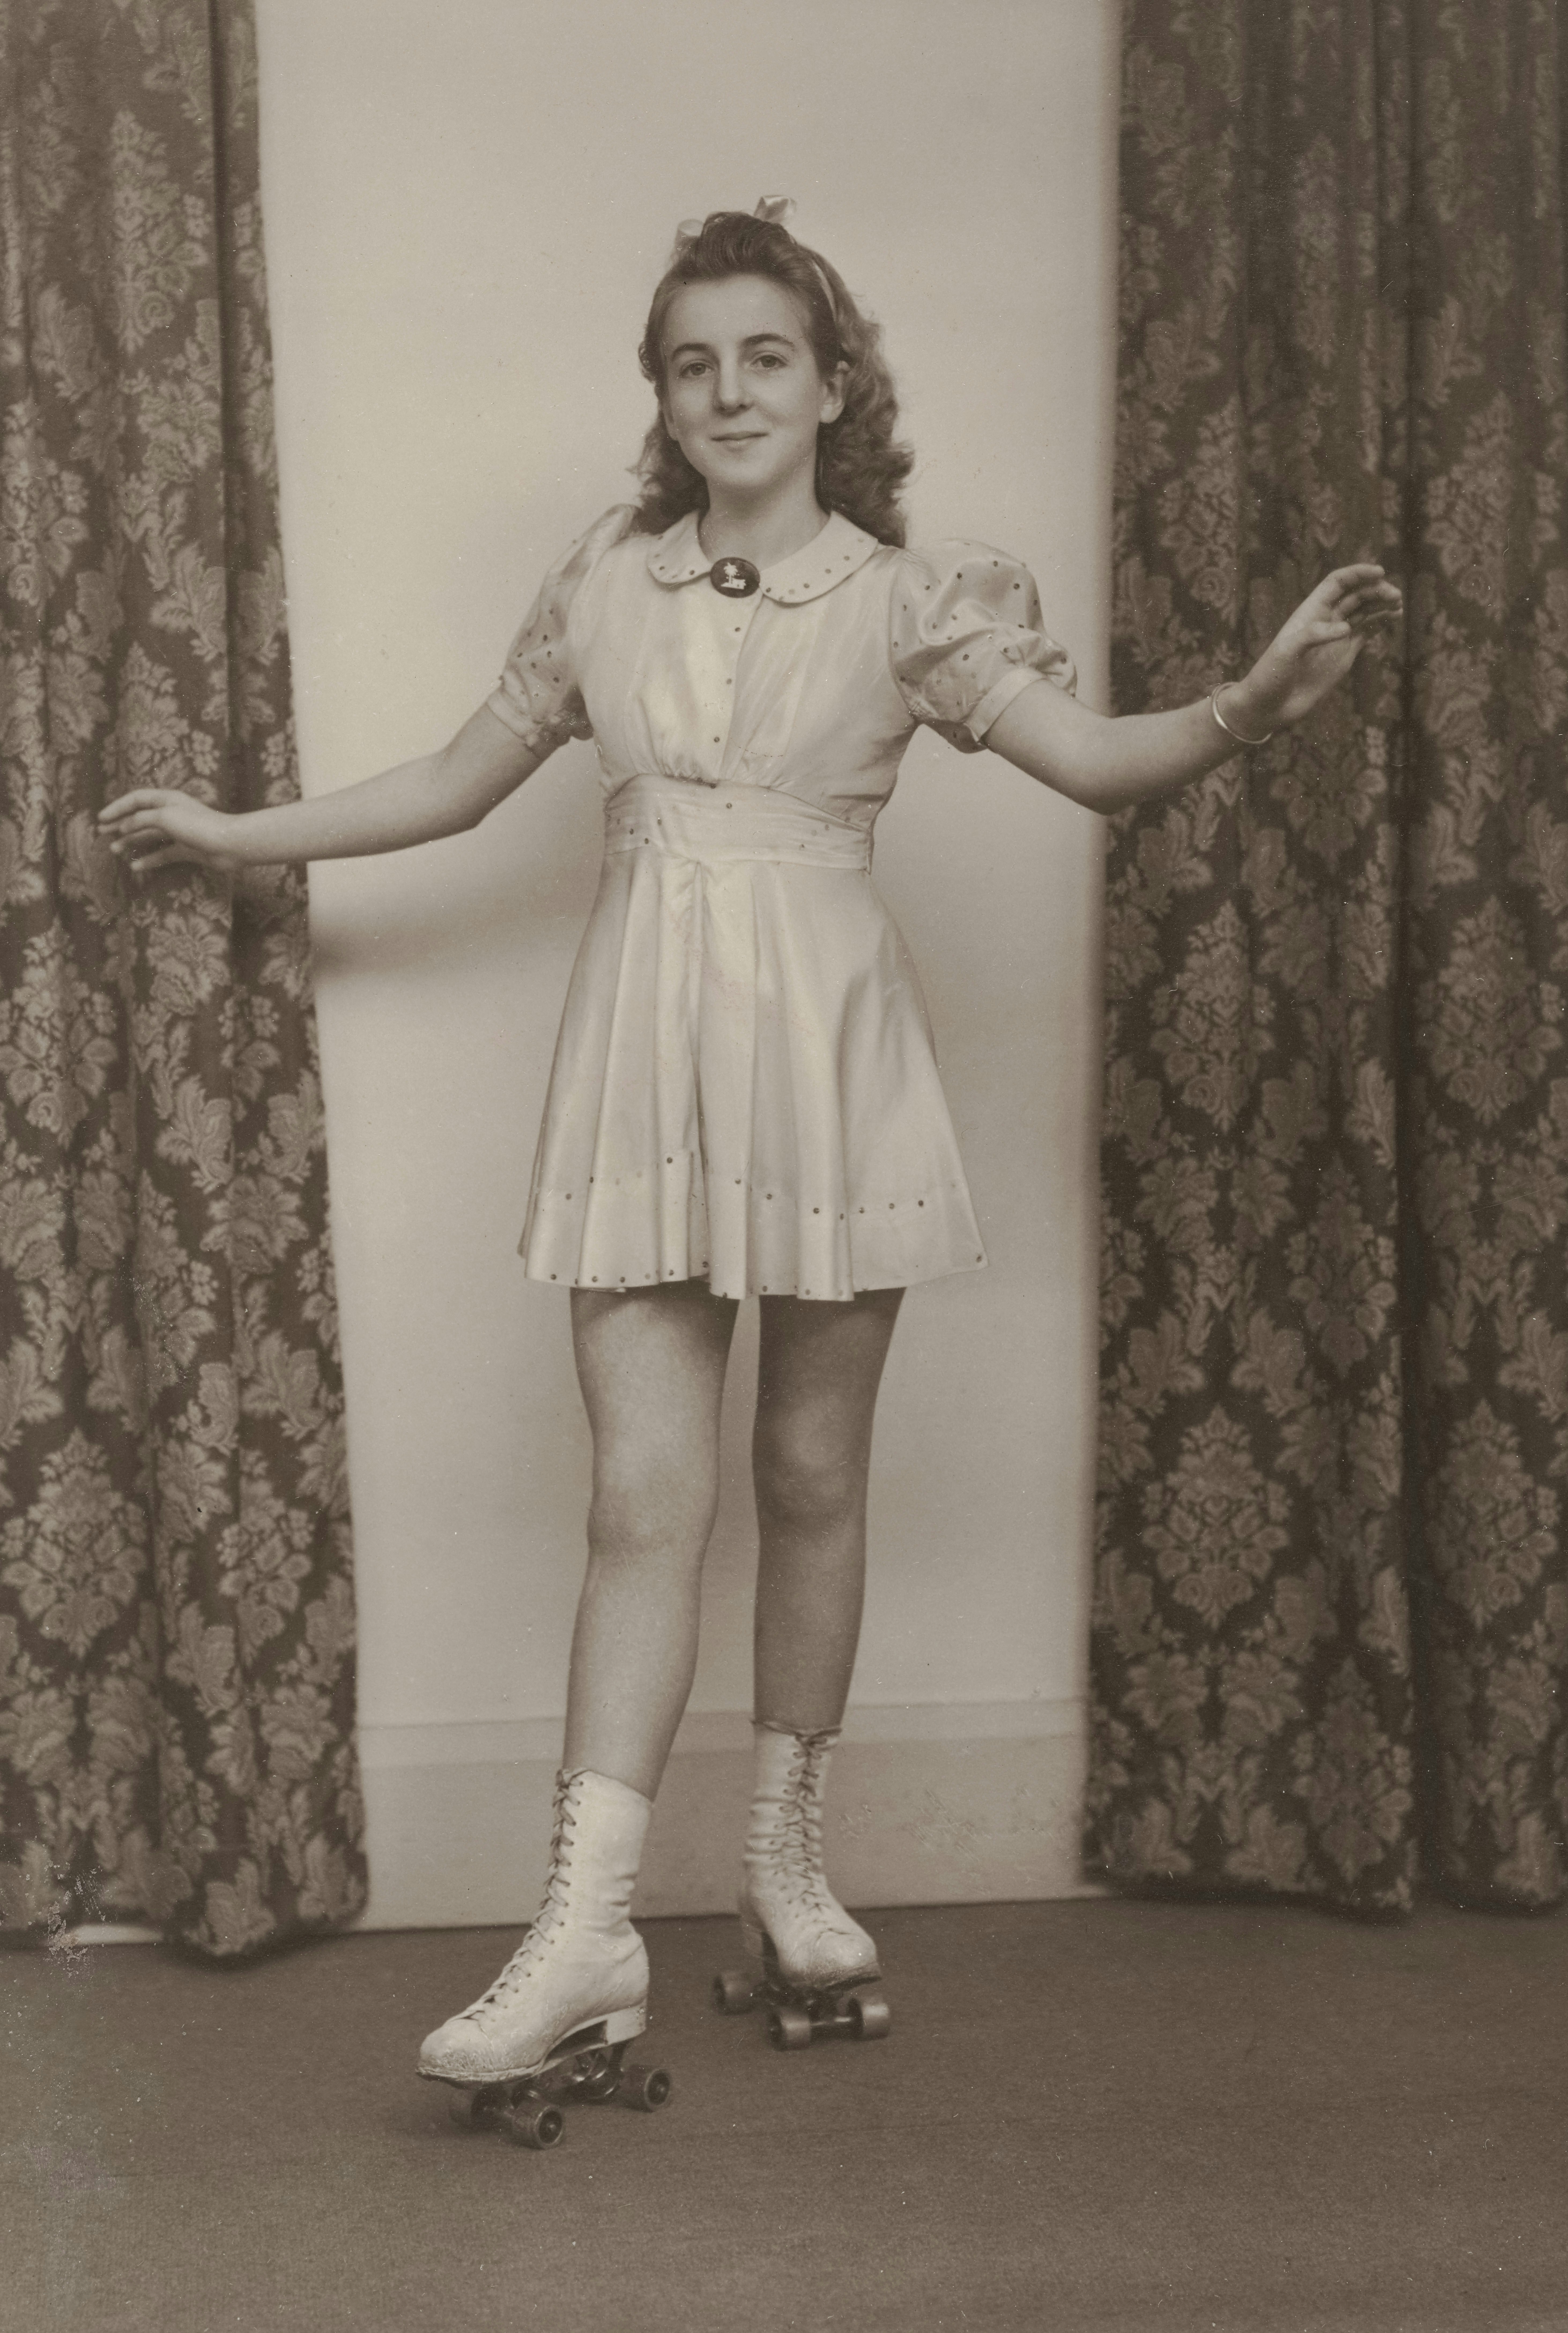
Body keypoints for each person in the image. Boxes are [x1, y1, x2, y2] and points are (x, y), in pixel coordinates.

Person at [100, 201, 1402, 2091]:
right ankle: (583, 1929)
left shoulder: (909, 597)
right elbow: (459, 781)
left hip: (832, 1058)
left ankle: (787, 1860)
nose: (730, 389)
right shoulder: (605, 587)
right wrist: (236, 835)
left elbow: (1097, 762)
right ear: (663, 394)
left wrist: (1245, 710)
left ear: (833, 384)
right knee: (644, 1496)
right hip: (642, 1057)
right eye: (694, 360)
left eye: (766, 355)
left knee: (807, 1470)